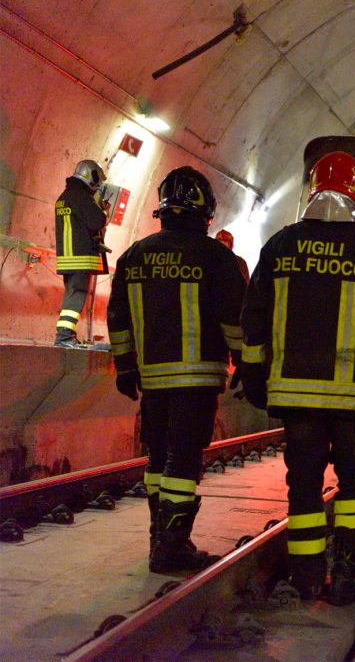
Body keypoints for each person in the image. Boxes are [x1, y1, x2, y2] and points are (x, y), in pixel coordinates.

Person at [239, 151, 355, 605]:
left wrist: (254, 375)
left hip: (298, 400)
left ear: (312, 190)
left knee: (303, 487)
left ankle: (307, 577)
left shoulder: (280, 246)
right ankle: (349, 573)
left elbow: (254, 320)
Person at [107, 166, 246, 573]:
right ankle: (173, 547)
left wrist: (125, 367)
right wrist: (245, 361)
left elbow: (119, 318)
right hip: (197, 378)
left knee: (158, 457)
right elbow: (234, 318)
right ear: (205, 213)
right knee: (183, 461)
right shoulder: (217, 257)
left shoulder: (133, 256)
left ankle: (158, 538)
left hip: (153, 382)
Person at [54, 159, 109, 348]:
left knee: (71, 295)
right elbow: (97, 221)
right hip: (79, 258)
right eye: (97, 181)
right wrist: (102, 209)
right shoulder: (81, 197)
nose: (98, 186)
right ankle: (64, 337)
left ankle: (64, 336)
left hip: (67, 259)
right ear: (90, 177)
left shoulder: (64, 197)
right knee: (76, 296)